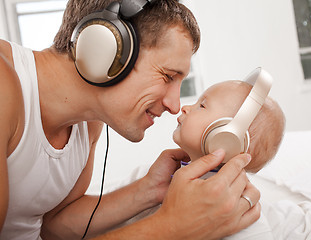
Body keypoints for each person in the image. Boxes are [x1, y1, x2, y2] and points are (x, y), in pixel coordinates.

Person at [0, 0, 262, 239]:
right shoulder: (4, 86)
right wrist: (172, 226)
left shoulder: (90, 121)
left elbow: (53, 225)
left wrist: (149, 190)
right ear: (105, 49)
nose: (175, 105)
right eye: (168, 76)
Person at [173, 80, 311, 240]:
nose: (185, 107)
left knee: (291, 223)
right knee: (288, 220)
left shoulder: (233, 212)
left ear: (229, 136)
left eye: (202, 105)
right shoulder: (175, 174)